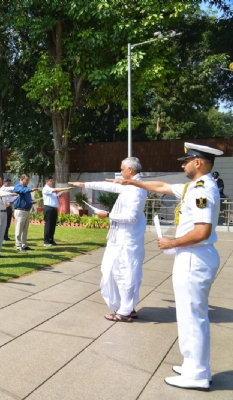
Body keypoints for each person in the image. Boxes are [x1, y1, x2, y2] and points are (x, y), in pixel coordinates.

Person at [110, 143, 222, 391]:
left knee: (192, 316)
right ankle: (194, 364)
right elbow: (161, 187)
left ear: (199, 163)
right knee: (188, 314)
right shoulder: (194, 187)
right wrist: (132, 183)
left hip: (195, 256)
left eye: (187, 161)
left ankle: (197, 374)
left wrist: (173, 242)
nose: (183, 165)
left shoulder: (203, 191)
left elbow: (202, 231)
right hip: (192, 256)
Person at [69, 157, 147, 322]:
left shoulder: (135, 190)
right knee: (119, 272)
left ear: (130, 171)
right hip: (121, 237)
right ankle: (128, 307)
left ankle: (125, 311)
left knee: (123, 273)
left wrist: (108, 215)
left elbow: (131, 217)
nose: (120, 172)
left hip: (126, 239)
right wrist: (85, 185)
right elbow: (110, 185)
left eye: (122, 169)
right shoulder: (132, 185)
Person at [42, 177, 72, 246]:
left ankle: (51, 240)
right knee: (48, 225)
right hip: (48, 209)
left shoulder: (51, 190)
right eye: (51, 181)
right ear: (47, 181)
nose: (52, 182)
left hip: (54, 209)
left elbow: (56, 194)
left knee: (52, 225)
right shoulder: (46, 188)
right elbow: (55, 190)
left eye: (53, 181)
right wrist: (66, 188)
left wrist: (63, 191)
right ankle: (46, 241)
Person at [13, 174, 38, 251]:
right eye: (26, 180)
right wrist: (31, 189)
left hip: (26, 210)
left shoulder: (27, 188)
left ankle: (24, 244)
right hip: (20, 210)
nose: (28, 182)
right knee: (19, 228)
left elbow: (26, 198)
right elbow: (20, 191)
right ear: (22, 179)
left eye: (28, 180)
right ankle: (18, 245)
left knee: (25, 229)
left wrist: (31, 202)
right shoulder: (18, 186)